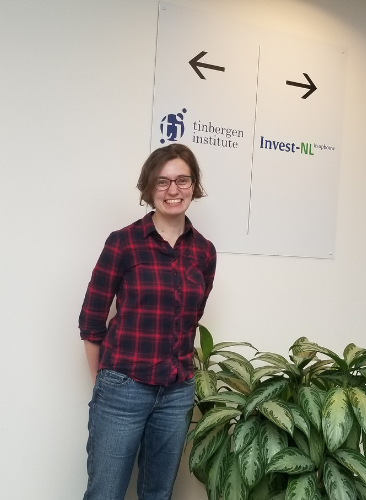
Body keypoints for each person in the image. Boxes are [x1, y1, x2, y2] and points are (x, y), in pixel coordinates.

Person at [79, 144, 216, 500]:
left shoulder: (204, 251)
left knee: (158, 494)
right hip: (123, 386)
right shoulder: (123, 243)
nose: (173, 190)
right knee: (105, 493)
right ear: (149, 188)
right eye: (162, 181)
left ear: (194, 185)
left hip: (177, 393)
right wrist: (104, 382)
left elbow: (191, 316)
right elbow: (91, 319)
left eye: (182, 180)